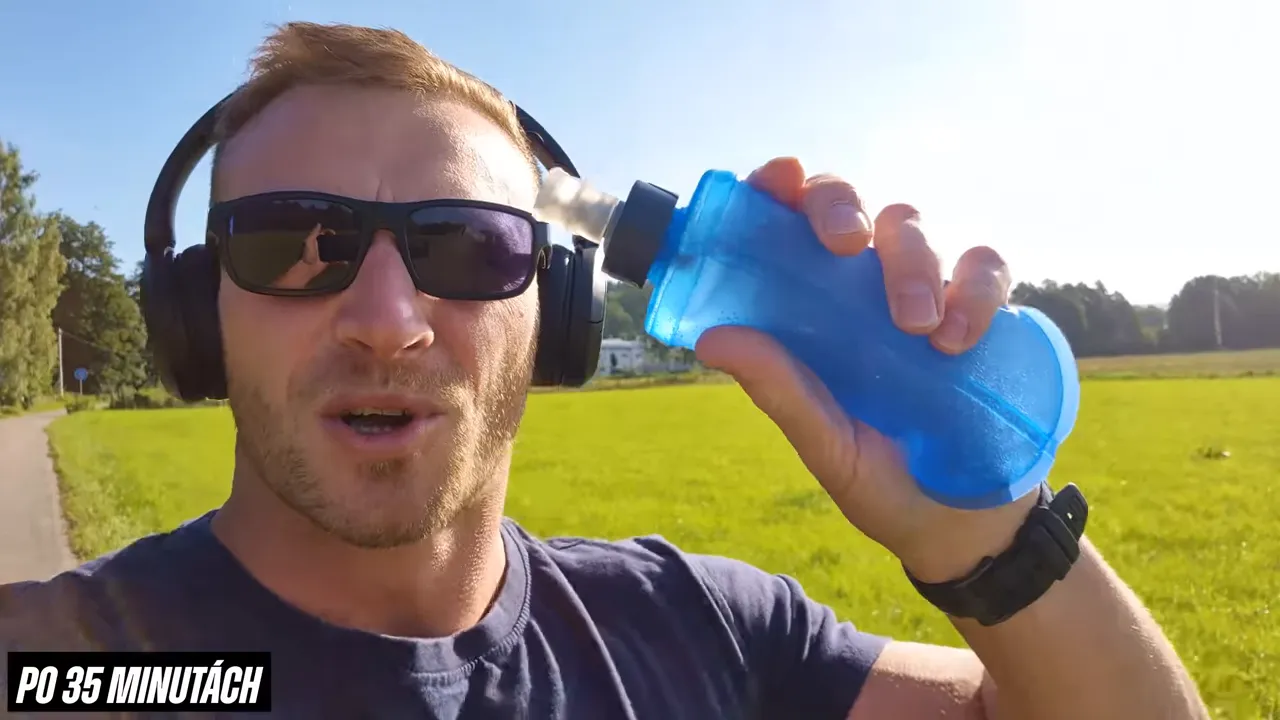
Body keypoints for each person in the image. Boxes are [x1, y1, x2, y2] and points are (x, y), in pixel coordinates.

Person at [0, 22, 1207, 719]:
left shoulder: (705, 633)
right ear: (199, 311)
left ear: (557, 313)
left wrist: (989, 543)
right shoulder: (89, 662)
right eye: (289, 244)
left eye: (466, 246)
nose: (384, 319)